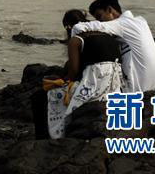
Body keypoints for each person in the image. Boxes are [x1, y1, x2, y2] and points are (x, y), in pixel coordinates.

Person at [32, 9, 126, 139]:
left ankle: (44, 138)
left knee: (41, 97)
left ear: (68, 27)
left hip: (95, 87)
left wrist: (62, 81)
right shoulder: (107, 33)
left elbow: (74, 72)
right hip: (115, 87)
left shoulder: (76, 40)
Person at [70, 0, 155, 93]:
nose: (101, 21)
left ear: (109, 10)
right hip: (152, 86)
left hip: (134, 89)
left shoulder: (122, 24)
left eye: (100, 17)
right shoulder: (140, 21)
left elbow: (77, 28)